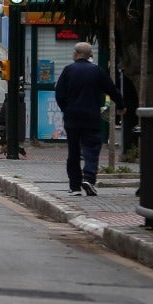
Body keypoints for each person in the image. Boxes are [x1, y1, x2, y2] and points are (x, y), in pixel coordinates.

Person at [54, 41, 125, 196]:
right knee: (92, 148)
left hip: (72, 117)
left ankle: (74, 187)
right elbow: (111, 89)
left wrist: (66, 109)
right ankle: (89, 177)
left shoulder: (68, 70)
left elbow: (59, 94)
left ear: (76, 54)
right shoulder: (96, 71)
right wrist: (120, 105)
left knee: (73, 151)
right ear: (89, 55)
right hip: (91, 116)